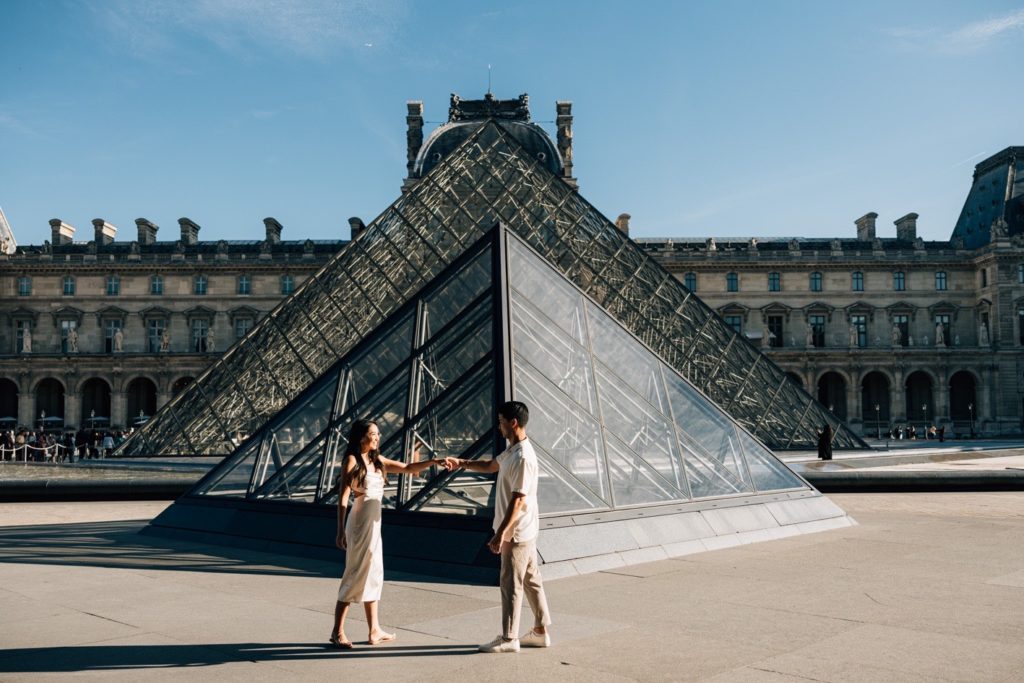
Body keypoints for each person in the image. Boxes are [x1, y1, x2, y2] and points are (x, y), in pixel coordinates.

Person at [444, 401, 552, 654]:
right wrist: (461, 463)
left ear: (513, 423)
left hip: (517, 531)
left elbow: (519, 499)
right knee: (531, 580)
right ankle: (540, 631)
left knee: (510, 584)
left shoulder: (523, 457)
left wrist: (501, 533)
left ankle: (508, 637)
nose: (499, 425)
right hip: (525, 528)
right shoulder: (513, 449)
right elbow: (491, 466)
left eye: (502, 421)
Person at [330, 419, 441, 649]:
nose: (377, 437)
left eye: (378, 434)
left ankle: (374, 630)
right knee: (355, 574)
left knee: (374, 574)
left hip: (374, 525)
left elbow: (409, 468)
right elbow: (343, 498)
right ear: (362, 437)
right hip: (360, 523)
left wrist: (435, 461)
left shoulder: (377, 460)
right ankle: (337, 632)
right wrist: (340, 531)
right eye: (373, 434)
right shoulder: (352, 460)